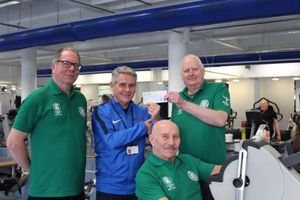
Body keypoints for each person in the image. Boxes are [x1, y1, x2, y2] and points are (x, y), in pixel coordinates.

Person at [6, 47, 87, 199]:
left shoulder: (80, 99)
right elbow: (13, 142)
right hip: (46, 190)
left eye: (76, 65)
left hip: (76, 188)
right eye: (66, 63)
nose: (72, 69)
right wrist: (31, 168)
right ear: (53, 66)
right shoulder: (37, 98)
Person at [164, 54, 230, 200]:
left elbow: (220, 119)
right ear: (182, 75)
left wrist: (183, 104)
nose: (191, 73)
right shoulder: (179, 99)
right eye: (186, 71)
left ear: (203, 71)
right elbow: (173, 132)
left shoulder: (218, 89)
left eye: (195, 69)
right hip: (187, 172)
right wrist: (156, 118)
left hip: (214, 169)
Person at [92, 66, 160, 200]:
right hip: (110, 187)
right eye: (122, 85)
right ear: (112, 85)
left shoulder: (143, 112)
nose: (128, 90)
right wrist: (142, 127)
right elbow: (111, 140)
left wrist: (156, 119)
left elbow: (160, 138)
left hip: (139, 186)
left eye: (132, 85)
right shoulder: (101, 112)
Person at [135, 120, 221, 200]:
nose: (172, 142)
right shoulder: (145, 174)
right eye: (165, 137)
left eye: (175, 137)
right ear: (152, 140)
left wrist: (233, 164)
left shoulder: (188, 160)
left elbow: (224, 170)